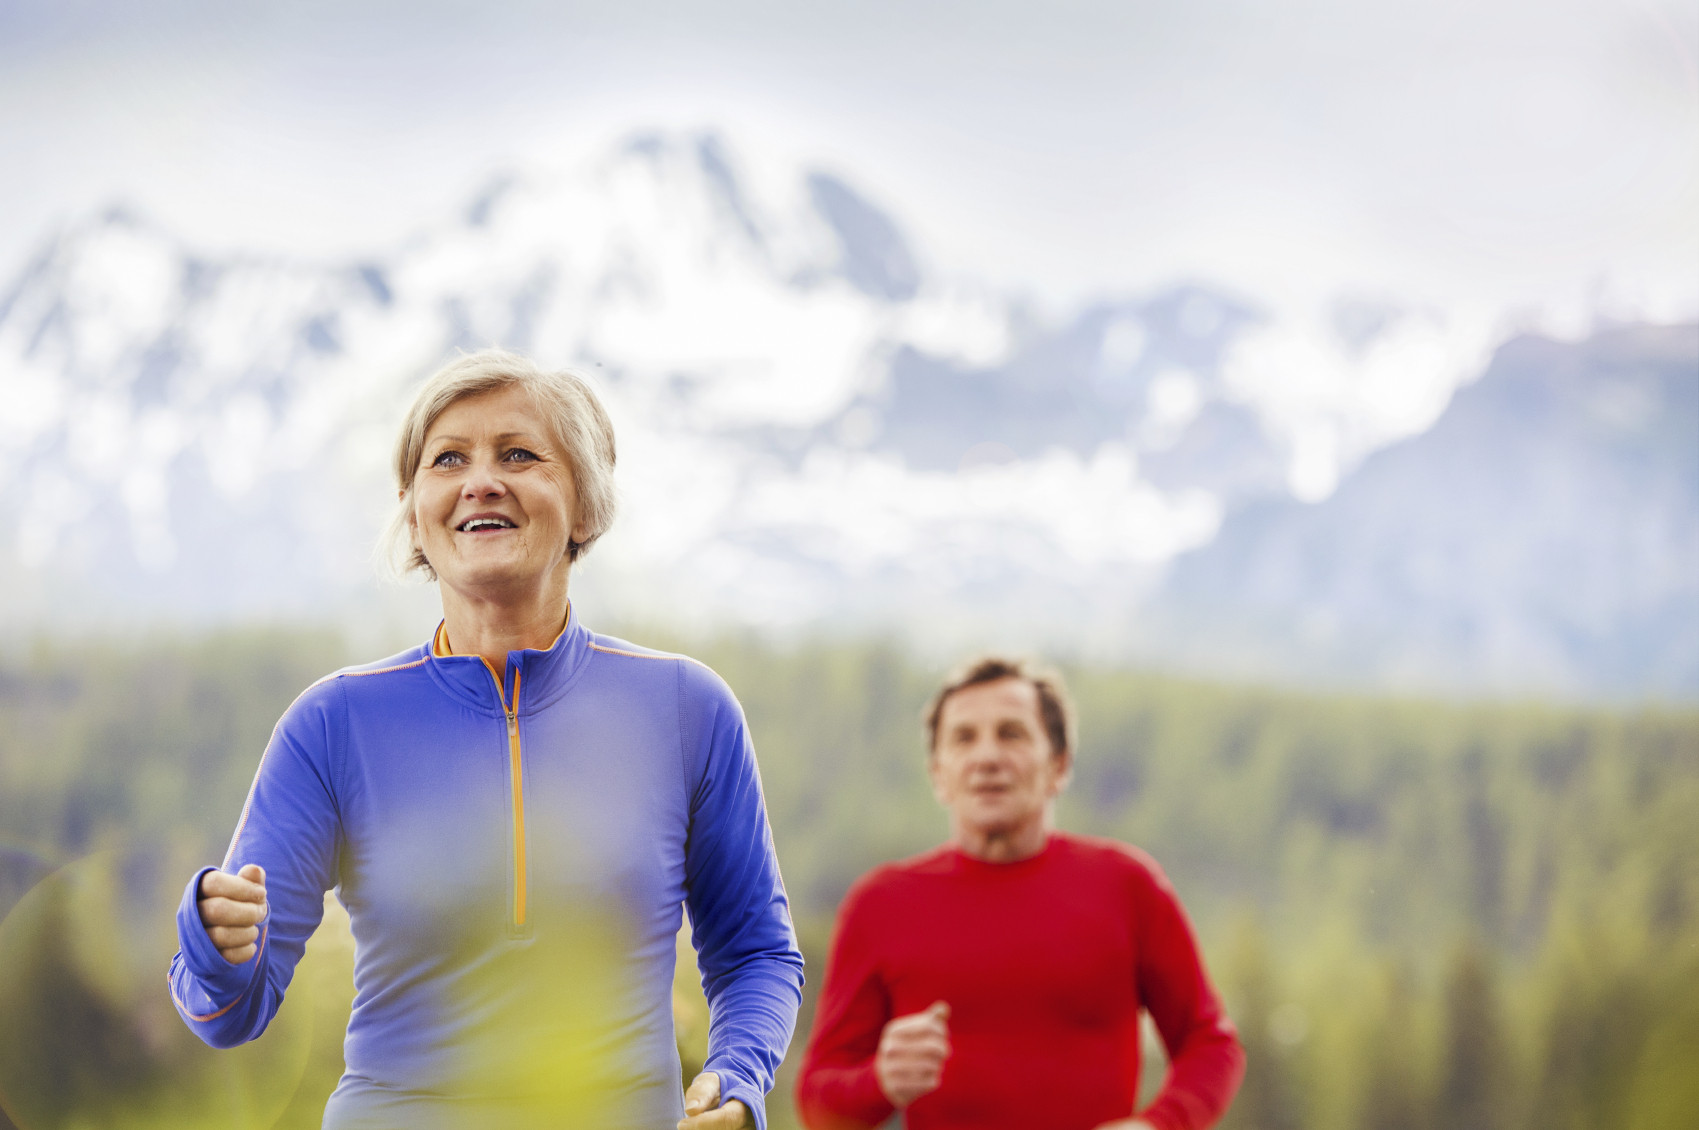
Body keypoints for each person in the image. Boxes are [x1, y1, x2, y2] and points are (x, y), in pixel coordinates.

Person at [168, 349, 804, 1130]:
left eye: (518, 454)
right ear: (414, 513)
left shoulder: (687, 707)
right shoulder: (332, 721)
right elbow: (230, 1015)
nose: (480, 481)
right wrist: (214, 940)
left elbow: (755, 955)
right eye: (448, 459)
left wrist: (736, 1081)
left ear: (585, 506)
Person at [794, 658, 1244, 1130]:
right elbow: (817, 1103)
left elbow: (1210, 1043)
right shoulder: (880, 905)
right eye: (964, 738)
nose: (987, 756)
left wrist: (1159, 1125)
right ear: (938, 774)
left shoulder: (1128, 885)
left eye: (1011, 733)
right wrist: (880, 1081)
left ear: (1059, 765)